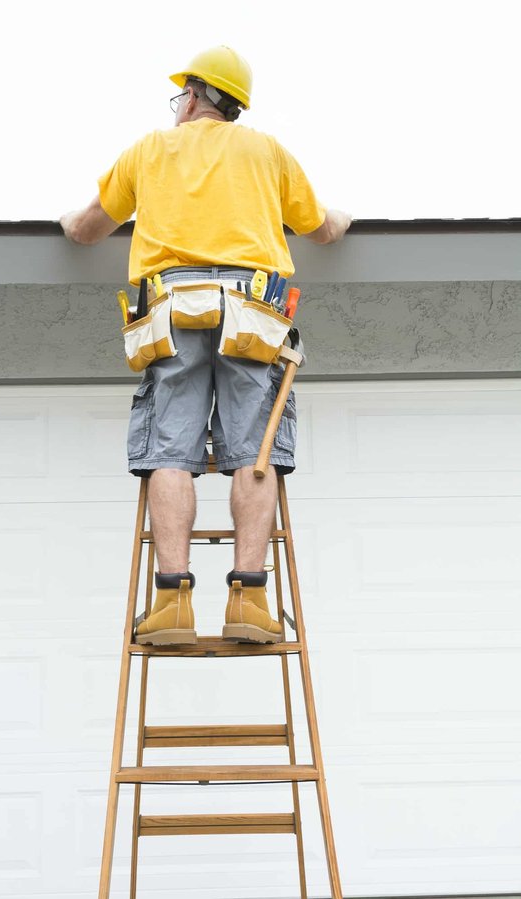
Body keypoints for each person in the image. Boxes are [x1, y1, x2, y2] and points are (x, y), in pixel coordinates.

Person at [60, 46, 352, 647]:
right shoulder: (267, 151)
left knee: (171, 445)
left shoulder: (149, 150)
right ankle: (249, 600)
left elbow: (87, 228)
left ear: (194, 97)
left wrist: (66, 222)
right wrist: (340, 220)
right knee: (255, 452)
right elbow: (321, 229)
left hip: (172, 307)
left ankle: (171, 604)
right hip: (252, 308)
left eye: (180, 97)